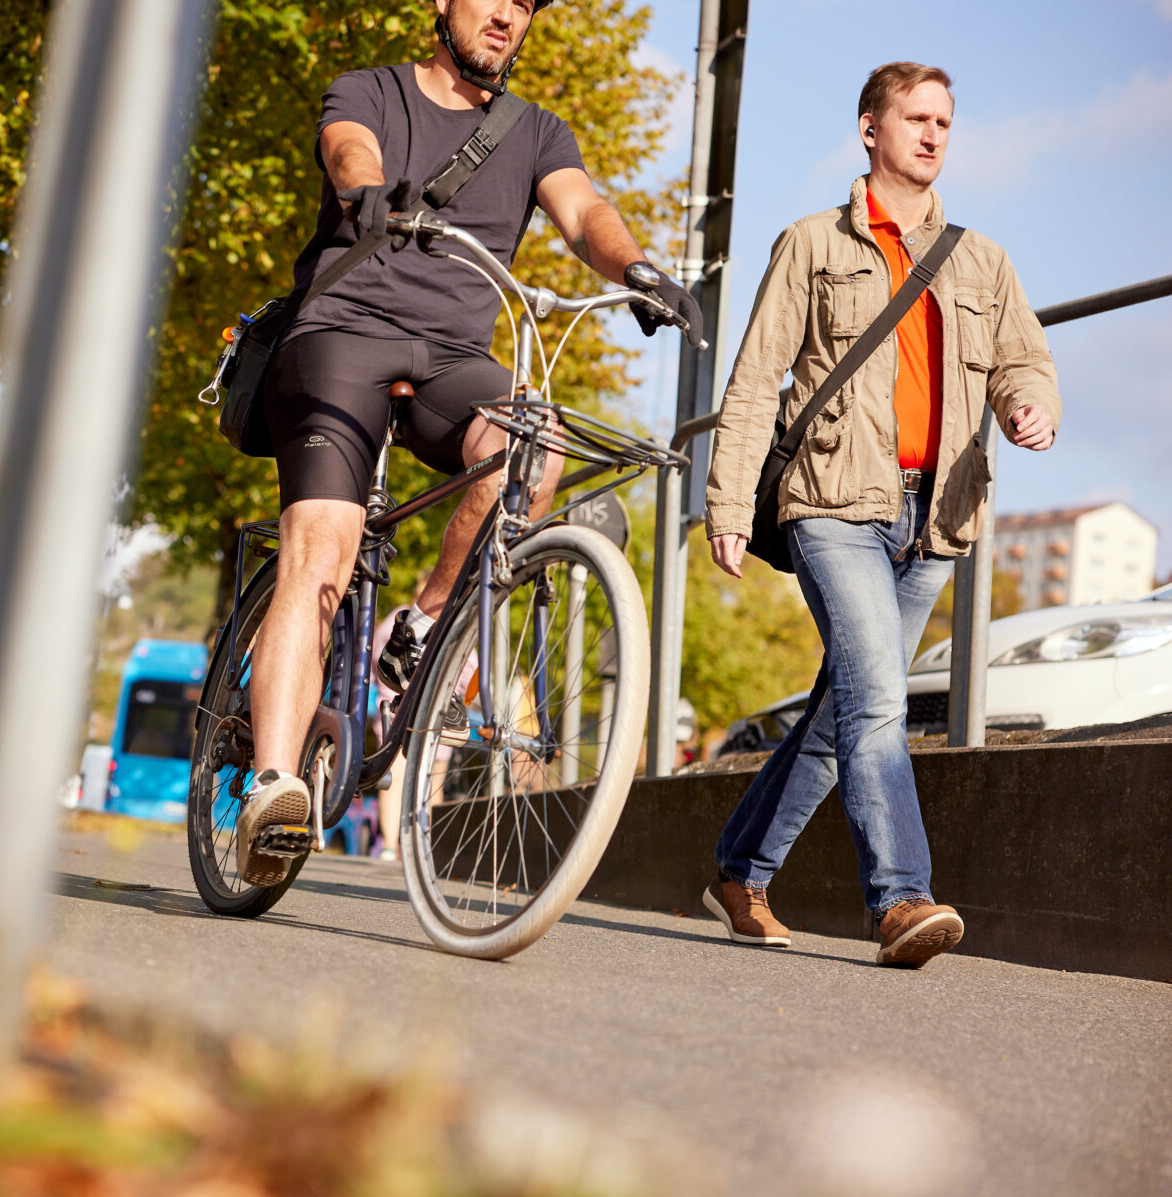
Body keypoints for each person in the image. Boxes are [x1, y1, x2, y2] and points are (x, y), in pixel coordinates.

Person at [234, 0, 701, 883]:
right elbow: (348, 148)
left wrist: (637, 268)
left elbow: (583, 212)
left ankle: (427, 620)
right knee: (324, 549)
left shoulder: (535, 131)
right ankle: (273, 784)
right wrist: (365, 193)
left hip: (453, 357)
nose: (508, 14)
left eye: (526, 4)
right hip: (340, 336)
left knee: (538, 440)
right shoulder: (368, 89)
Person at [701, 61, 1061, 967]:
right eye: (916, 117)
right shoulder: (812, 245)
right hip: (831, 503)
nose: (934, 134)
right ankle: (901, 899)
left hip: (936, 516)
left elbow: (1024, 358)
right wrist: (727, 503)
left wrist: (1029, 405)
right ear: (871, 129)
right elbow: (753, 383)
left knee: (844, 707)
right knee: (878, 703)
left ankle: (740, 869)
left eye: (946, 120)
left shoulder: (983, 259)